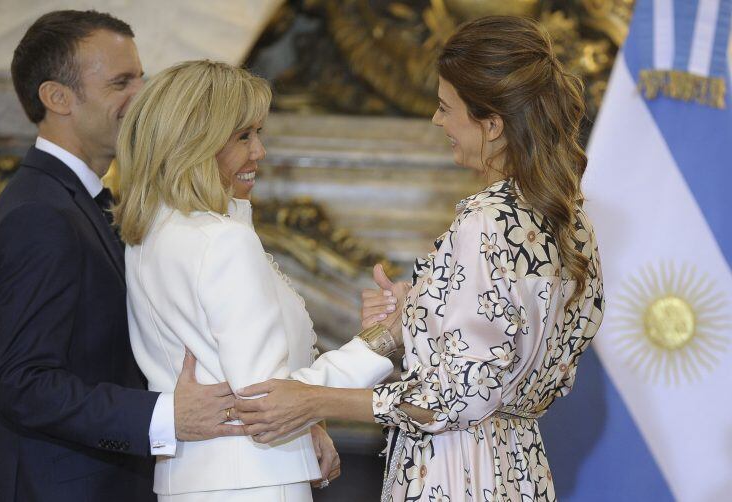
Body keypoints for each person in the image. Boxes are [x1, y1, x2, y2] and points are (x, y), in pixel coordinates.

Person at [233, 16, 605, 501]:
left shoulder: (487, 221)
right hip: (520, 466)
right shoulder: (571, 220)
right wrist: (419, 319)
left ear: (492, 125)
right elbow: (497, 359)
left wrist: (312, 400)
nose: (436, 120)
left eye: (446, 108)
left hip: (457, 472)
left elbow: (454, 400)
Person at [0, 11, 242, 502]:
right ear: (57, 98)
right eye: (122, 82)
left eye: (142, 78)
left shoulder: (84, 201)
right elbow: (25, 385)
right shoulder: (38, 213)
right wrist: (166, 416)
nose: (143, 96)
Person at [115, 60, 400, 502]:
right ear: (195, 142)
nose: (259, 152)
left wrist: (312, 429)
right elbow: (268, 403)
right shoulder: (222, 240)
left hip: (190, 482)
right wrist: (382, 340)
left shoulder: (149, 234)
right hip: (254, 482)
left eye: (258, 134)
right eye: (243, 136)